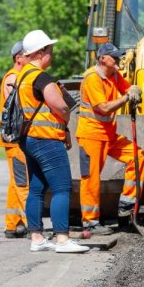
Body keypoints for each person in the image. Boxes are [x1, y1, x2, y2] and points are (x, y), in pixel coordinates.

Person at [18, 29, 89, 254]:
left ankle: (37, 237)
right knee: (62, 188)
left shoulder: (22, 76)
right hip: (47, 139)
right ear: (41, 52)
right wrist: (66, 119)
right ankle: (62, 239)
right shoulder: (41, 77)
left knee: (37, 189)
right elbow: (61, 106)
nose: (53, 53)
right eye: (50, 50)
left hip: (29, 139)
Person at [75, 42, 144, 235]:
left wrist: (135, 90)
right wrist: (127, 98)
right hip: (91, 135)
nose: (118, 60)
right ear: (102, 59)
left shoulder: (113, 75)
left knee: (138, 156)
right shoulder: (92, 78)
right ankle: (89, 222)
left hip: (108, 134)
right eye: (114, 57)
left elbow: (129, 88)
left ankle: (127, 204)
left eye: (118, 56)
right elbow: (104, 108)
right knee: (91, 180)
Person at [0, 40, 29, 239]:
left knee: (15, 181)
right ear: (19, 58)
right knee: (23, 182)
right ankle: (32, 224)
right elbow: (19, 106)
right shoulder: (13, 78)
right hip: (15, 139)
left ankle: (12, 224)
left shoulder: (16, 77)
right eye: (29, 55)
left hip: (14, 139)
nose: (33, 58)